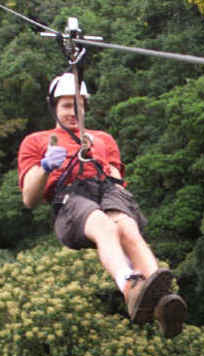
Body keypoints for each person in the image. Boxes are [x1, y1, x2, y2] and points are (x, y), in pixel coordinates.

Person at [18, 72, 187, 337]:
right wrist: (45, 166)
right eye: (66, 106)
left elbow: (117, 180)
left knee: (127, 228)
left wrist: (106, 173)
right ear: (53, 107)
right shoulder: (38, 141)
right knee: (104, 226)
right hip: (70, 198)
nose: (73, 112)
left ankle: (163, 300)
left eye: (79, 105)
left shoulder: (103, 139)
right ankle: (130, 286)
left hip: (104, 187)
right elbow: (29, 198)